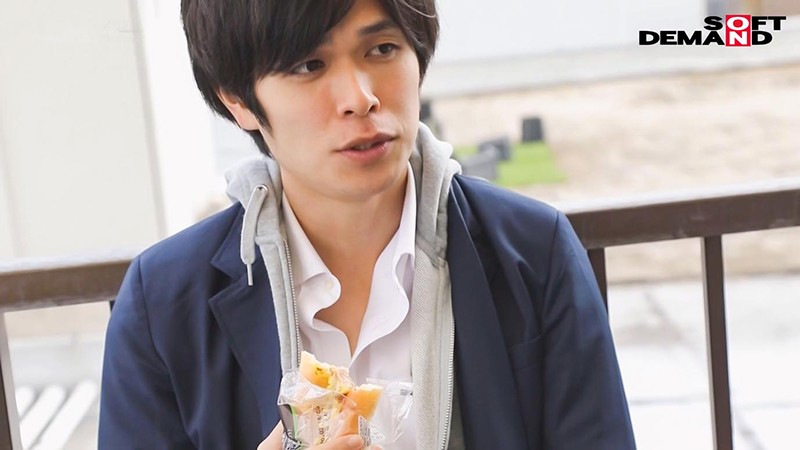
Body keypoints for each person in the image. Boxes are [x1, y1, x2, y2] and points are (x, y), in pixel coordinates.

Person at [98, 0, 636, 448]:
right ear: (237, 100)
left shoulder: (534, 254)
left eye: (381, 49)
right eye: (309, 65)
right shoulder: (163, 303)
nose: (361, 98)